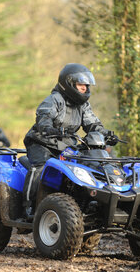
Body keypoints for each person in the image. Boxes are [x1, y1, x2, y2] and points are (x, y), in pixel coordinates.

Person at [22, 63, 118, 214]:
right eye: (81, 85)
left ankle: (85, 206)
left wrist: (107, 134)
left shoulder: (83, 105)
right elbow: (43, 119)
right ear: (69, 84)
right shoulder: (54, 99)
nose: (85, 88)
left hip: (66, 145)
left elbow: (92, 124)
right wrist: (51, 129)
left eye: (86, 85)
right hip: (42, 142)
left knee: (87, 167)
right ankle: (29, 207)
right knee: (40, 167)